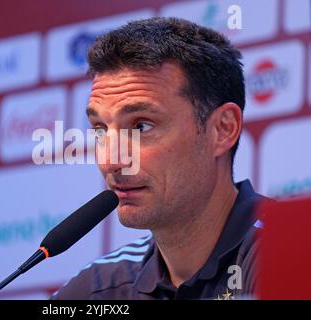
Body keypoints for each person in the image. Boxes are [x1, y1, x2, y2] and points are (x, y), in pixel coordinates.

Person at [51, 17, 269, 300]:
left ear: (222, 129)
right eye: (100, 130)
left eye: (141, 126)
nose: (111, 161)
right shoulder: (98, 290)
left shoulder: (292, 250)